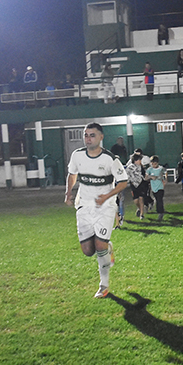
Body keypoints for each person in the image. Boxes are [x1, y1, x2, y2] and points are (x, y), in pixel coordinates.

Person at [64, 123, 128, 298]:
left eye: (92, 135)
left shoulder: (110, 159)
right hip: (84, 205)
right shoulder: (77, 155)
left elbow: (123, 182)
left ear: (101, 137)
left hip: (105, 207)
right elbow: (72, 174)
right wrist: (68, 193)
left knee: (99, 246)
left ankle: (103, 285)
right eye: (86, 135)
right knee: (87, 251)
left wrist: (107, 196)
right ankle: (108, 247)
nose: (88, 138)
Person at [126, 154, 148, 220]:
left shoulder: (141, 167)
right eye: (139, 160)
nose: (140, 161)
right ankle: (139, 208)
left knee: (141, 198)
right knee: (136, 200)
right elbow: (128, 176)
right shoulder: (129, 167)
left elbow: (144, 175)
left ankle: (141, 214)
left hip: (141, 184)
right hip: (133, 185)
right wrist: (131, 181)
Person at [146, 155, 166, 221]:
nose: (154, 165)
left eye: (155, 164)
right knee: (157, 199)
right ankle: (159, 209)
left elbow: (164, 176)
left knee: (160, 199)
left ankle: (161, 212)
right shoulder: (149, 170)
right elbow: (146, 177)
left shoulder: (161, 169)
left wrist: (164, 180)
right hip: (153, 187)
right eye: (152, 164)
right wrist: (151, 177)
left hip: (160, 186)